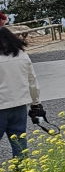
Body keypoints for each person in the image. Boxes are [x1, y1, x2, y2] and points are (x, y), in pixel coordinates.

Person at [0, 13, 41, 159]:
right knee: (19, 144)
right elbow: (32, 81)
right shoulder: (22, 56)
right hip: (19, 106)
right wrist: (36, 103)